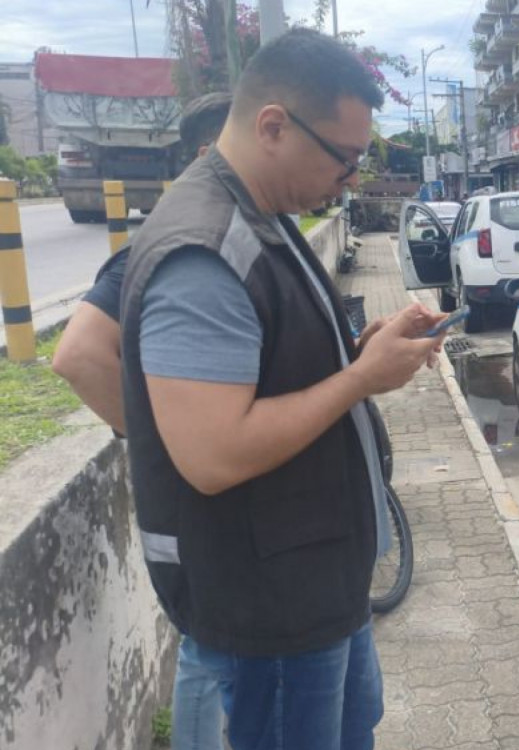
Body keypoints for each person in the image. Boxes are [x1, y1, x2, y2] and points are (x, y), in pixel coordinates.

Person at [120, 29, 445, 750]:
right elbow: (213, 453)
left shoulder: (263, 217)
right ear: (274, 126)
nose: (351, 179)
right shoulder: (204, 251)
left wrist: (365, 352)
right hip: (266, 608)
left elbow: (282, 367)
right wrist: (361, 377)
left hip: (314, 585)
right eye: (344, 157)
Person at [52, 91, 234, 750]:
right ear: (213, 153)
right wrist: (159, 436)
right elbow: (75, 356)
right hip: (191, 503)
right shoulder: (163, 249)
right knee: (207, 648)